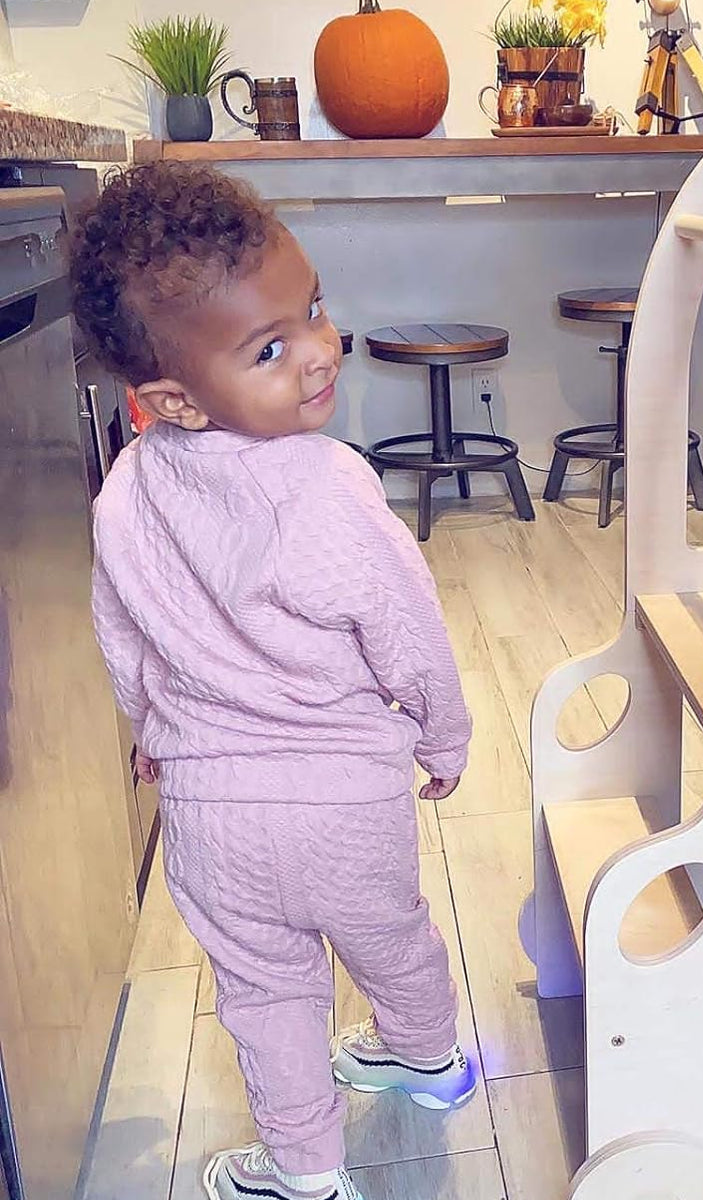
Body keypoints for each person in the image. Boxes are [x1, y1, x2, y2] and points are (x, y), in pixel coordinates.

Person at [71, 161, 474, 1200]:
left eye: (314, 310)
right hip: (348, 798)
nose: (318, 351)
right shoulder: (328, 483)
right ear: (173, 398)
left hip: (213, 812)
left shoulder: (122, 497)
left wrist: (148, 728)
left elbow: (125, 638)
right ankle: (429, 1061)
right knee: (392, 932)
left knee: (266, 994)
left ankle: (307, 1173)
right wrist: (444, 733)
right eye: (270, 346)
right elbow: (406, 628)